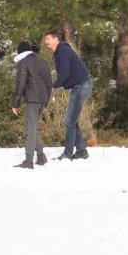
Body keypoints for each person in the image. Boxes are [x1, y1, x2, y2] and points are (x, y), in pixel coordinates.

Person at [43, 29, 92, 160]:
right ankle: (81, 150)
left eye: (47, 39)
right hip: (79, 85)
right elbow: (65, 74)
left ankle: (67, 153)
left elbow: (63, 74)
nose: (45, 42)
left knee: (69, 120)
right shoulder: (60, 51)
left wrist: (53, 86)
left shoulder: (63, 51)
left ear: (55, 39)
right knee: (71, 119)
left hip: (82, 85)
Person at [11, 41, 52, 169]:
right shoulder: (42, 62)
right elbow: (49, 83)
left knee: (30, 129)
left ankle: (29, 161)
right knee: (32, 127)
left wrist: (15, 103)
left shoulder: (24, 62)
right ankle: (41, 156)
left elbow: (21, 85)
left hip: (32, 100)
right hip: (42, 100)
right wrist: (46, 101)